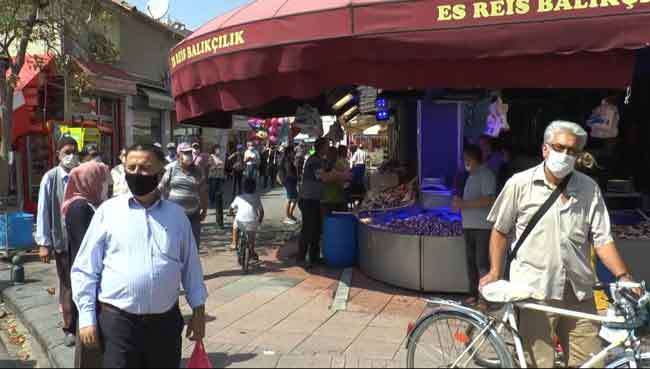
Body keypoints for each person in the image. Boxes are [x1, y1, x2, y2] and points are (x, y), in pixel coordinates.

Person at [480, 121, 635, 368]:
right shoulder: (520, 184)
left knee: (591, 362)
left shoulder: (588, 189)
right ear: (544, 149)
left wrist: (624, 276)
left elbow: (602, 239)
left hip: (579, 293)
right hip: (535, 293)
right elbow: (500, 231)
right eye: (559, 147)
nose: (565, 155)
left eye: (572, 151)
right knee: (539, 363)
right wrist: (495, 272)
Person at [71, 144, 208, 369]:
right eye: (131, 167)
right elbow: (85, 269)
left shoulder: (177, 216)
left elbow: (191, 268)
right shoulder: (108, 212)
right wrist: (86, 318)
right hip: (118, 324)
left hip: (164, 325)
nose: (137, 173)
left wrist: (199, 310)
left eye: (145, 168)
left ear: (161, 172)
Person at [61, 162, 110, 368]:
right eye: (103, 179)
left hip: (93, 277)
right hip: (89, 277)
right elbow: (86, 247)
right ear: (91, 181)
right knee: (89, 333)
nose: (106, 184)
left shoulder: (88, 204)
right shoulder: (80, 208)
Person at [36, 135, 80, 347]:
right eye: (67, 152)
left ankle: (86, 323)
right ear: (58, 155)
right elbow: (43, 211)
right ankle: (70, 327)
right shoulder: (51, 178)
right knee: (68, 285)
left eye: (74, 152)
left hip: (83, 240)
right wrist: (44, 243)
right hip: (62, 241)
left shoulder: (82, 174)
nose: (71, 156)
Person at [451, 145, 496, 306]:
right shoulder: (470, 175)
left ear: (474, 159)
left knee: (481, 263)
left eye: (466, 159)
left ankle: (485, 298)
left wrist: (463, 204)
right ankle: (473, 294)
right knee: (471, 262)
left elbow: (488, 200)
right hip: (468, 225)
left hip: (482, 227)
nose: (465, 162)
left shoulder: (486, 175)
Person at [298, 138, 351, 268]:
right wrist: (343, 176)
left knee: (315, 228)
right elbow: (324, 177)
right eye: (327, 146)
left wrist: (339, 173)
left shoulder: (320, 160)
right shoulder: (314, 161)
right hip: (308, 198)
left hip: (315, 198)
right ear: (322, 147)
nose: (329, 148)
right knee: (309, 228)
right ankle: (303, 257)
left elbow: (329, 171)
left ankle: (313, 257)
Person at [160, 143, 209, 249]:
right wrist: (165, 202)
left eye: (189, 152)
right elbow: (161, 187)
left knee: (193, 248)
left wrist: (204, 210)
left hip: (193, 216)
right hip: (174, 217)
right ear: (178, 155)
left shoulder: (198, 171)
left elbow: (203, 192)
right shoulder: (171, 169)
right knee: (173, 247)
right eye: (185, 153)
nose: (189, 155)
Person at [229, 178, 265, 259]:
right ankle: (251, 250)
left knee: (235, 224)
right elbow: (261, 212)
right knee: (252, 236)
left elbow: (231, 208)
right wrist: (259, 221)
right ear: (254, 188)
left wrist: (230, 213)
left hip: (240, 222)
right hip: (252, 222)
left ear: (243, 187)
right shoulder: (256, 198)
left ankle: (234, 242)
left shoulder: (239, 197)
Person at [322, 146, 350, 215]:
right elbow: (324, 178)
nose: (332, 156)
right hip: (327, 199)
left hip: (338, 198)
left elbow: (346, 177)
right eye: (330, 154)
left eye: (334, 154)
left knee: (339, 220)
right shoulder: (323, 163)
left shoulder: (338, 163)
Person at [279, 144, 299, 225]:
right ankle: (288, 216)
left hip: (289, 181)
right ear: (288, 152)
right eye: (292, 151)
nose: (294, 152)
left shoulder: (288, 160)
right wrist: (297, 177)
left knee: (292, 199)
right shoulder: (287, 160)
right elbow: (289, 172)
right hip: (289, 181)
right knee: (292, 199)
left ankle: (290, 215)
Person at [208, 144, 226, 209]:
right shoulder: (211, 156)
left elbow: (222, 166)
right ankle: (211, 201)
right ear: (214, 150)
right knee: (212, 190)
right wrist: (217, 166)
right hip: (213, 176)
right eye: (217, 149)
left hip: (219, 176)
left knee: (218, 190)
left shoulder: (220, 157)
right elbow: (210, 167)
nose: (219, 150)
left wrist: (223, 174)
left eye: (219, 149)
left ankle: (217, 201)